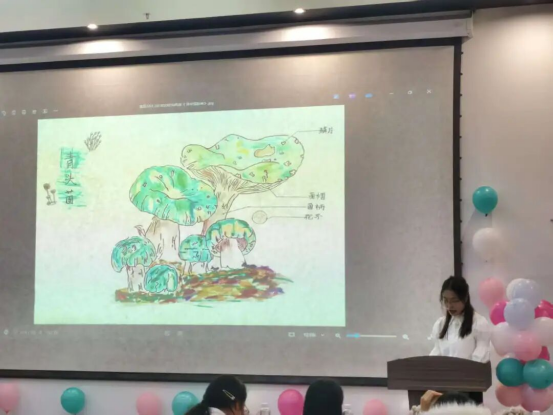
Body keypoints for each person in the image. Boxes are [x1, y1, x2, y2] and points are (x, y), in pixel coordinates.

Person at [430, 276, 491, 362]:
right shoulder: (440, 324)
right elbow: (435, 356)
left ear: (465, 298)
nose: (449, 306)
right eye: (445, 300)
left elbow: (480, 359)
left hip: (468, 371)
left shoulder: (478, 323)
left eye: (454, 300)